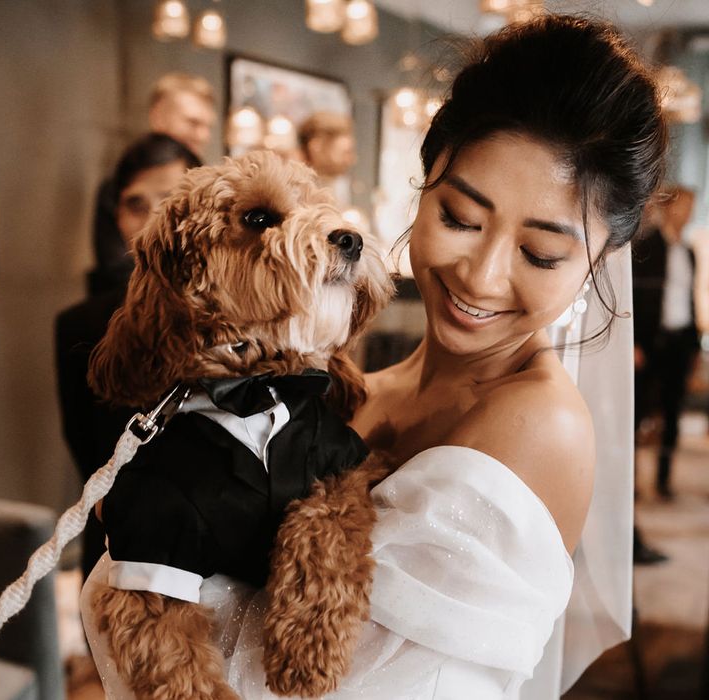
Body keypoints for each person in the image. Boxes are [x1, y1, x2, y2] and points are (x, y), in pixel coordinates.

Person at [82, 14, 667, 700]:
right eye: (460, 219)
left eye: (540, 253)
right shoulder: (336, 392)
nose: (480, 276)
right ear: (422, 189)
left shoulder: (541, 426)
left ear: (600, 260)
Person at [56, 132, 200, 581]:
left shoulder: (246, 317)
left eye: (172, 200)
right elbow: (84, 442)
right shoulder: (79, 323)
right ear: (116, 216)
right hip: (116, 542)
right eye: (137, 206)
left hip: (219, 547)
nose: (155, 219)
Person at [89, 73, 216, 295]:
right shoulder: (118, 185)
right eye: (192, 122)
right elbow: (116, 268)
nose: (203, 135)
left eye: (207, 126)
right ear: (158, 116)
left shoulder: (212, 187)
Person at [633, 185, 701, 499]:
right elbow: (632, 299)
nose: (688, 213)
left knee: (673, 413)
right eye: (684, 206)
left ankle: (663, 479)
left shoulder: (688, 252)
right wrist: (633, 344)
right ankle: (631, 479)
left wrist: (695, 347)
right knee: (639, 412)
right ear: (668, 208)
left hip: (680, 341)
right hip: (650, 342)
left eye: (692, 207)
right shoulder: (647, 246)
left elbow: (687, 300)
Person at [298, 110, 356, 207]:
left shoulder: (338, 186)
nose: (351, 160)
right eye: (345, 153)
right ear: (317, 147)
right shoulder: (295, 192)